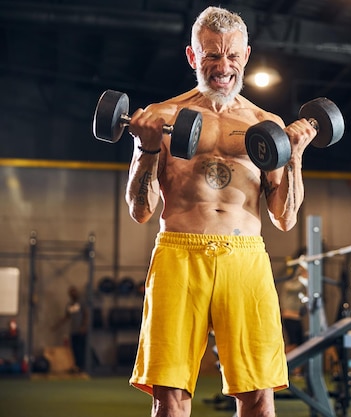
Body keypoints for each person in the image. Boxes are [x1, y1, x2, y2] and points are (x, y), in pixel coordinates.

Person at [124, 6, 318, 417]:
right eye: (211, 55)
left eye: (231, 56)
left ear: (246, 56)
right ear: (193, 57)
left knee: (260, 400)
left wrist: (295, 156)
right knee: (169, 399)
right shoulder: (160, 117)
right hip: (178, 254)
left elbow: (284, 219)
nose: (223, 67)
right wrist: (145, 150)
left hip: (244, 256)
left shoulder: (267, 124)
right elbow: (141, 211)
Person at [278, 264, 308, 377]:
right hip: (290, 318)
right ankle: (279, 366)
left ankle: (297, 370)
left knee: (298, 345)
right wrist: (304, 273)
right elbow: (297, 286)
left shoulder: (301, 286)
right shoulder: (289, 284)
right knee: (293, 345)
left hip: (296, 318)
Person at [52, 285, 88, 372]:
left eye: (74, 291)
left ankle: (83, 367)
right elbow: (67, 317)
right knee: (74, 349)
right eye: (71, 292)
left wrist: (84, 326)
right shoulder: (69, 305)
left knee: (81, 349)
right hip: (73, 330)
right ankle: (77, 366)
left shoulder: (81, 302)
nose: (73, 294)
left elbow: (86, 314)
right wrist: (57, 325)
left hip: (80, 330)